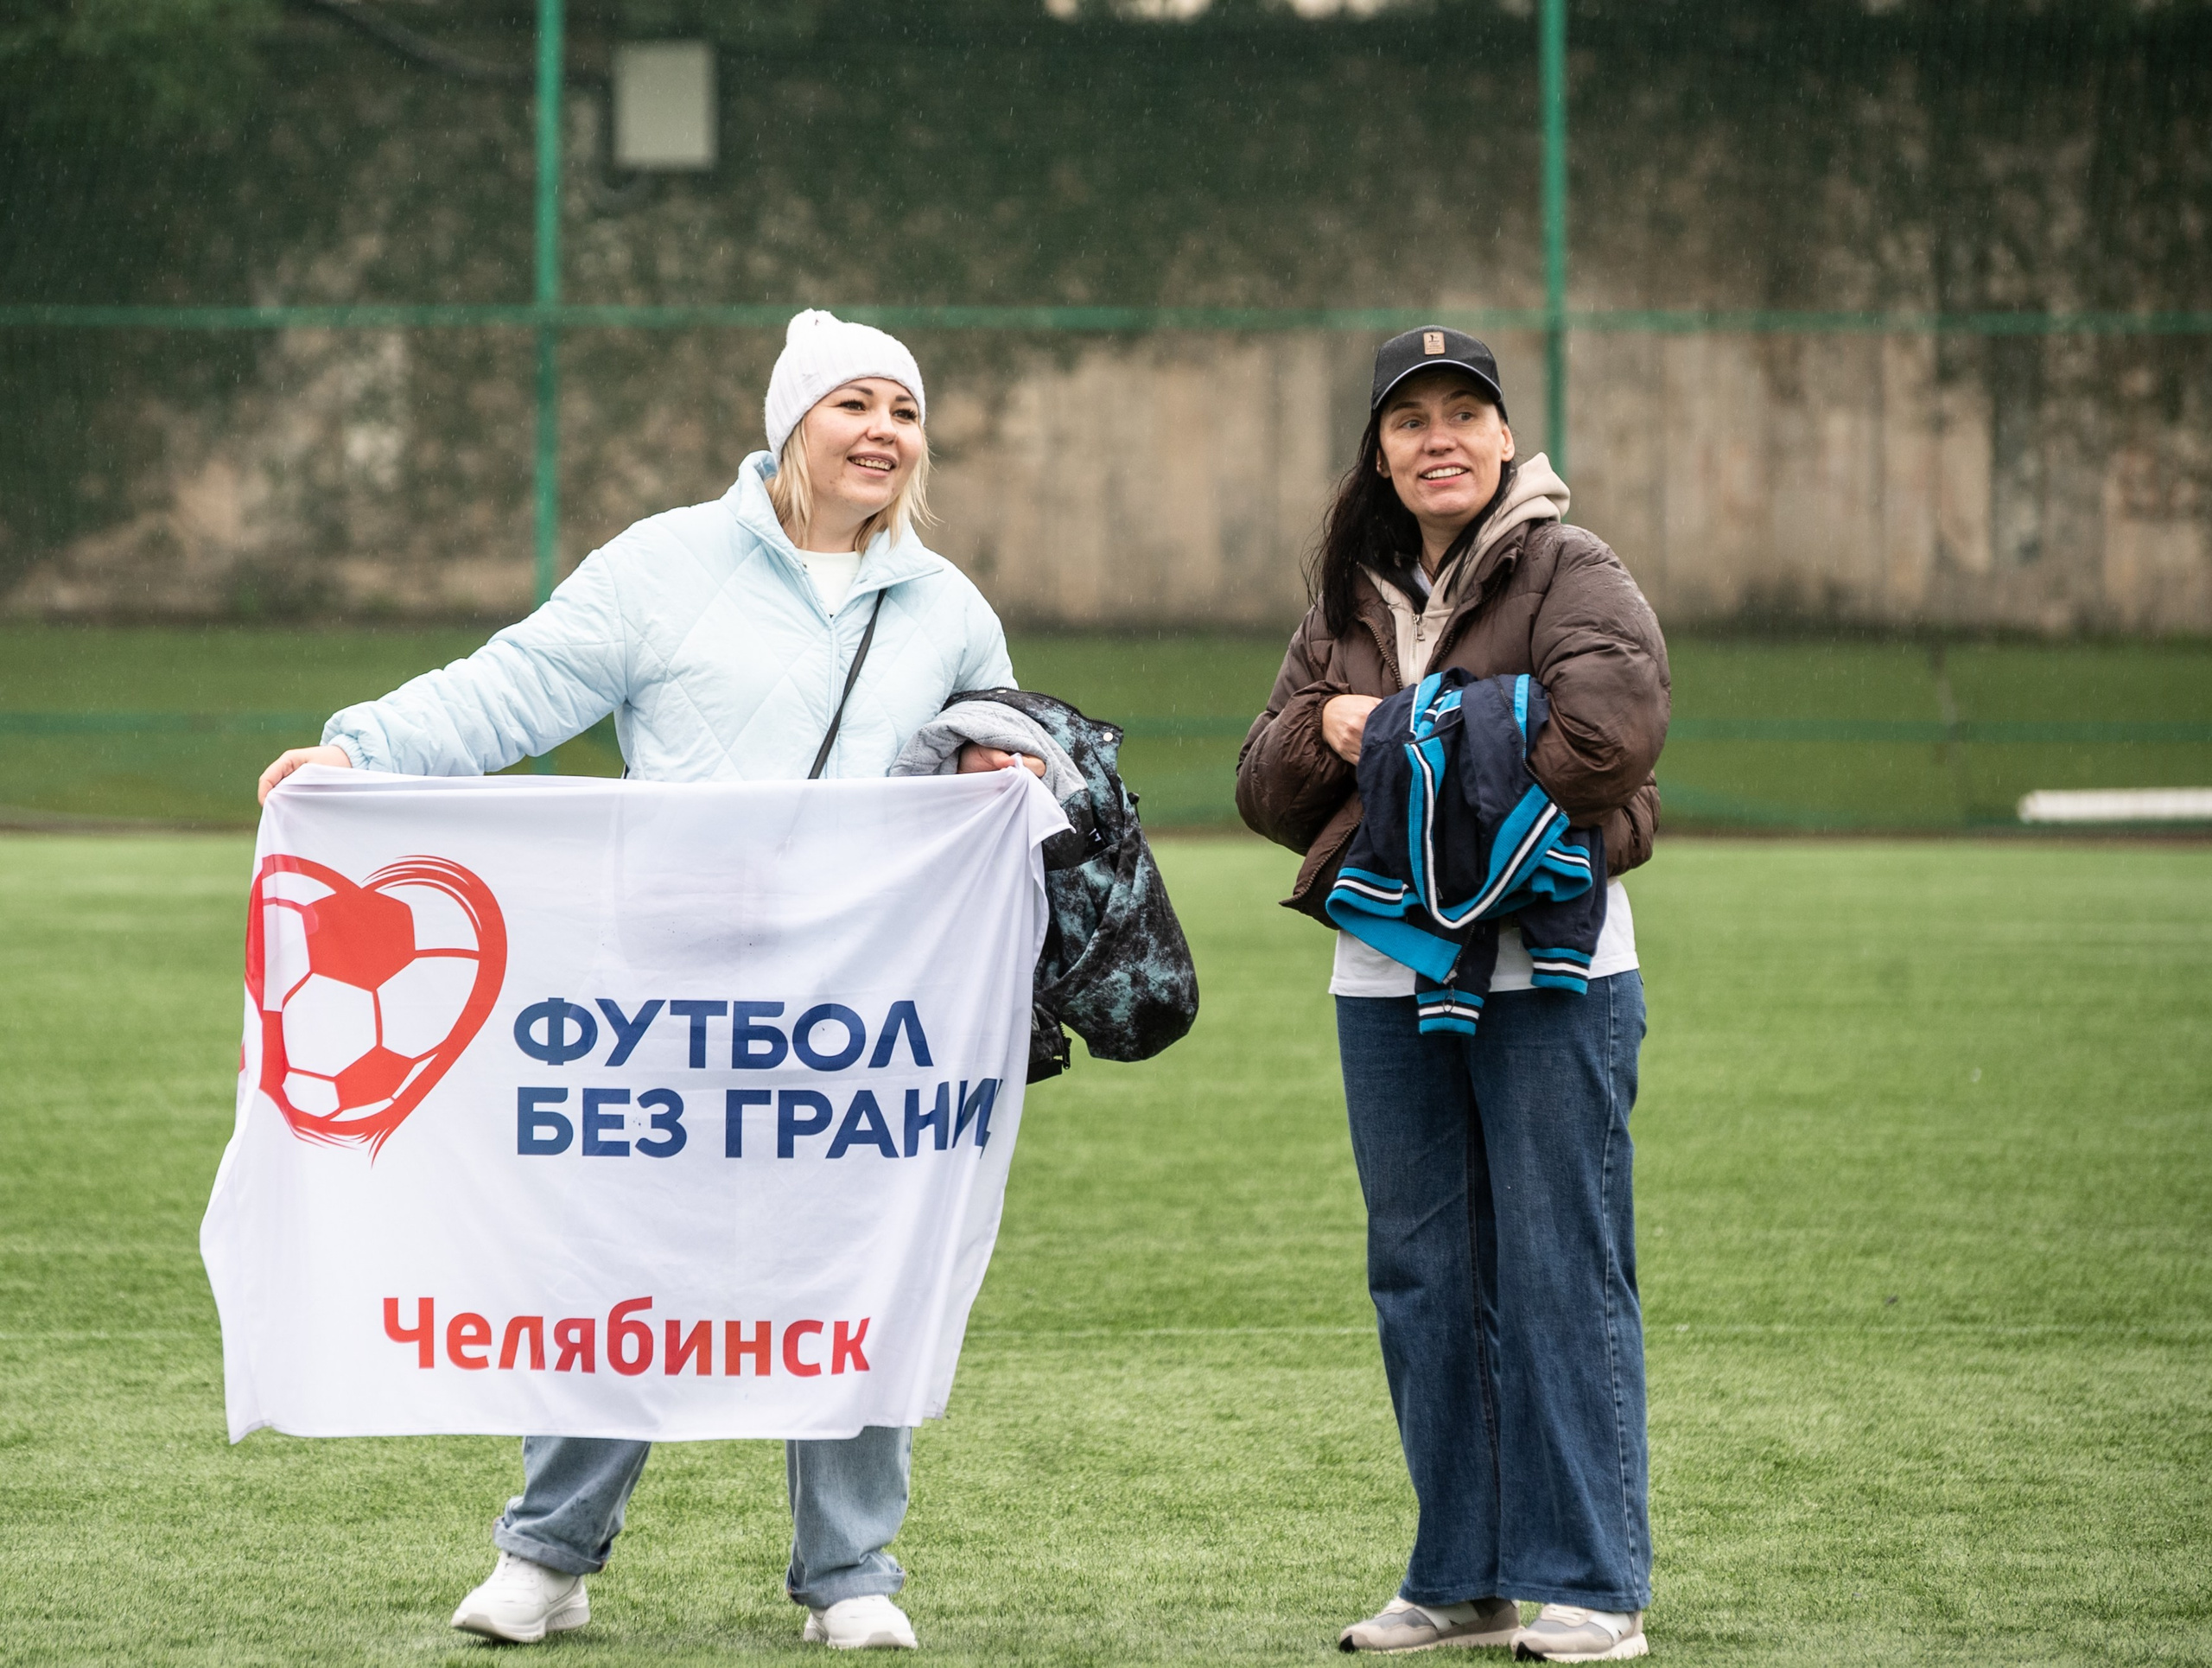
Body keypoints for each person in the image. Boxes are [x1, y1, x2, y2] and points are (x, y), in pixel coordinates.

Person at [257, 309, 1040, 1652]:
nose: (881, 433)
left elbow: (999, 742)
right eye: (853, 405)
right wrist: (360, 752)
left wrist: (1005, 762)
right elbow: (515, 688)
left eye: (903, 412)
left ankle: (852, 1575)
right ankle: (548, 1556)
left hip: (856, 1013)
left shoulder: (947, 605)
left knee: (856, 1274)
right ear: (791, 423)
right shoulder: (664, 565)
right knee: (620, 1272)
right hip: (660, 1000)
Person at [1236, 328, 1668, 1662]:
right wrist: (1330, 725)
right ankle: (1463, 1574)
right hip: (1387, 967)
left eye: (1463, 414)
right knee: (1423, 1273)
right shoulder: (1346, 594)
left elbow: (1609, 732)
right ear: (1379, 450)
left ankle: (1594, 1580)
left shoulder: (1572, 567)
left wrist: (1415, 724)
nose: (1439, 438)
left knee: (1558, 1265)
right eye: (1409, 418)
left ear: (1503, 439)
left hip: (1552, 965)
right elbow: (1263, 783)